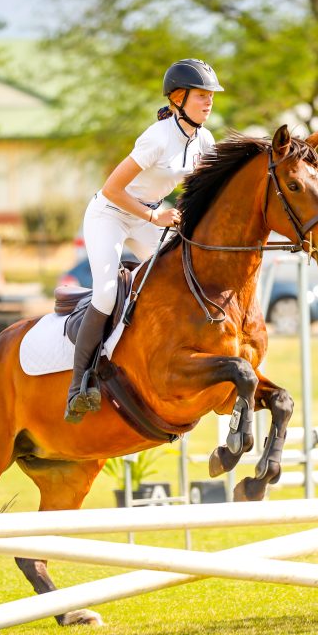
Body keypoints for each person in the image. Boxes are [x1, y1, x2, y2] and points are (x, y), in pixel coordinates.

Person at [65, 58, 223, 424]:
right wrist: (154, 217)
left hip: (150, 213)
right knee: (105, 293)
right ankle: (78, 386)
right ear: (179, 98)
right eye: (202, 96)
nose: (209, 103)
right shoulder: (157, 138)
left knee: (177, 280)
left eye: (211, 96)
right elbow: (112, 188)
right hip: (111, 214)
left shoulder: (205, 139)